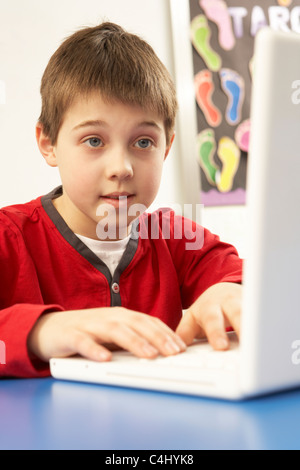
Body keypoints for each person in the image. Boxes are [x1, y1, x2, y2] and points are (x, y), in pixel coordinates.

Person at [0, 22, 243, 378]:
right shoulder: (9, 237)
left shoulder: (176, 237)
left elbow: (246, 279)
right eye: (94, 141)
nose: (121, 168)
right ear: (48, 143)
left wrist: (231, 292)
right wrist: (40, 332)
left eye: (143, 142)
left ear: (166, 148)